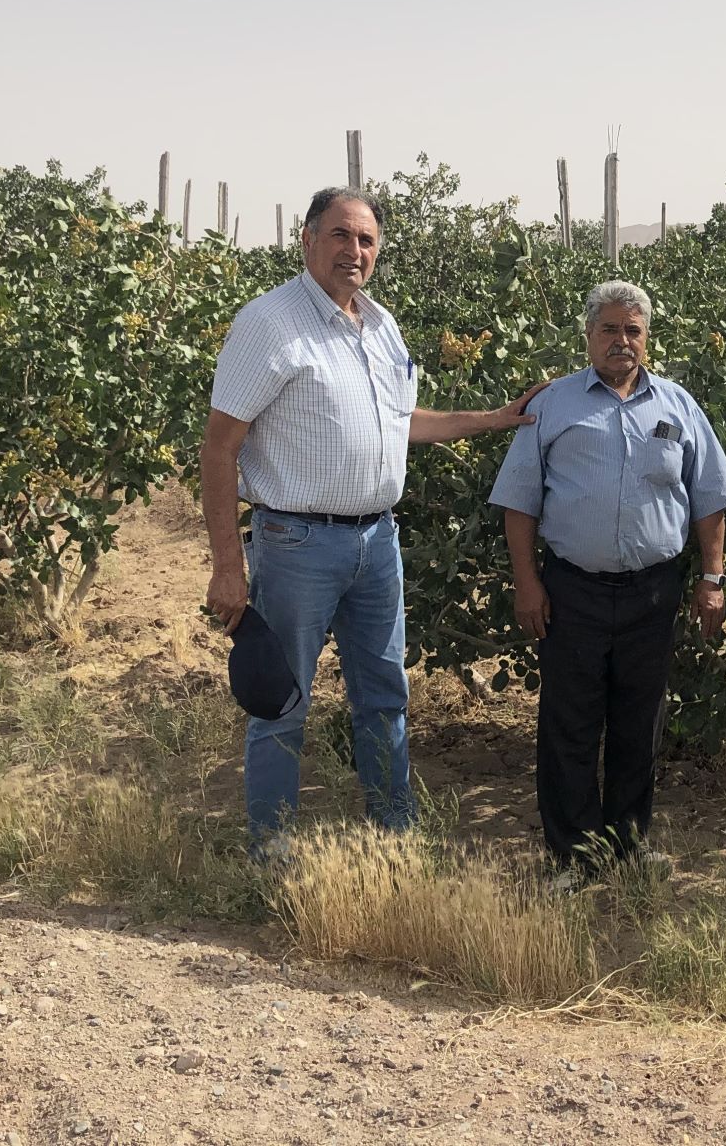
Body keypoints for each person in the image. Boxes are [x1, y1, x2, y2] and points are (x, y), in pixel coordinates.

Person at [202, 186, 545, 847]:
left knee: (385, 696)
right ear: (307, 241)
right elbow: (220, 444)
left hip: (377, 542)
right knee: (280, 702)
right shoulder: (270, 324)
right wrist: (227, 567)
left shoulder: (380, 327)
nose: (352, 251)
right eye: (339, 235)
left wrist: (494, 419)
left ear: (378, 250)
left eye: (365, 240)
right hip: (295, 541)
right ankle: (271, 850)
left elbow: (400, 422)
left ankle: (394, 836)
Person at [490, 281, 726, 884]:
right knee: (568, 723)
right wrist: (528, 583)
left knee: (640, 722)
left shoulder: (678, 406)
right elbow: (519, 503)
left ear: (646, 338)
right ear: (588, 336)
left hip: (653, 592)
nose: (621, 341)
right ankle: (574, 855)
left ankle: (629, 844)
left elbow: (710, 498)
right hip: (571, 589)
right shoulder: (553, 404)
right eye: (609, 329)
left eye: (632, 330)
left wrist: (711, 578)